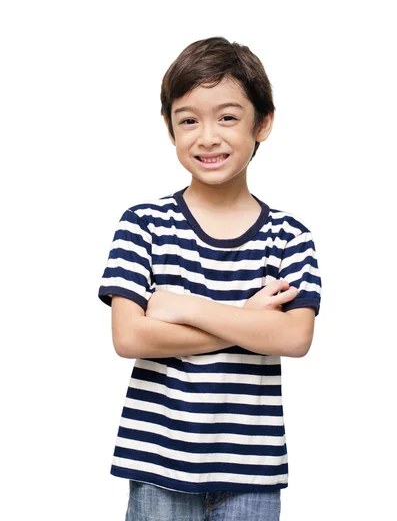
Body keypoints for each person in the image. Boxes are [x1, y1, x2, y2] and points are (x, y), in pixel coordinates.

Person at [98, 36, 322, 521]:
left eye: (227, 117)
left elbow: (294, 336)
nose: (207, 137)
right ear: (168, 127)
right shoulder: (143, 224)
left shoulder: (289, 236)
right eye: (188, 120)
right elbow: (129, 335)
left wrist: (184, 306)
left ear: (262, 122)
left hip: (253, 473)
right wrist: (246, 321)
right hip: (158, 463)